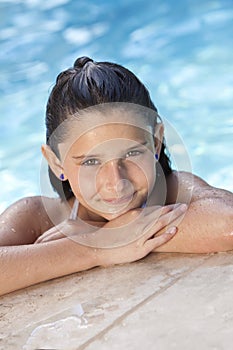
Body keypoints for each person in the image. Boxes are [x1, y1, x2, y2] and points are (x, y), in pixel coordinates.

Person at [0, 57, 232, 296]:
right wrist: (96, 246)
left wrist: (114, 233)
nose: (116, 182)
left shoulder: (176, 188)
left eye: (132, 153)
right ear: (56, 161)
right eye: (91, 162)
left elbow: (228, 221)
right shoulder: (36, 217)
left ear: (155, 142)